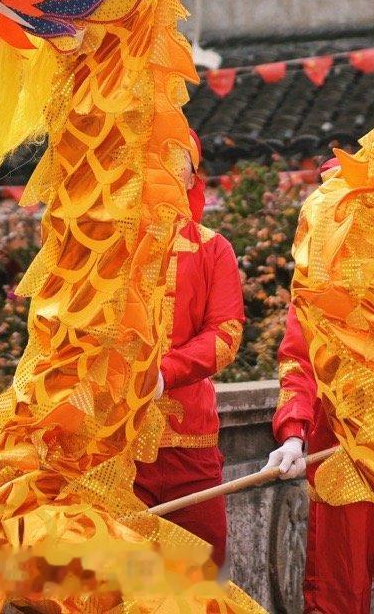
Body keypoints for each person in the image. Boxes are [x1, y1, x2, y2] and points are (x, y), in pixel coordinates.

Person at [266, 191, 374, 614]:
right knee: (336, 589)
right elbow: (297, 364)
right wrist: (293, 435)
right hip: (341, 455)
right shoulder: (314, 290)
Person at [133, 134, 246, 566]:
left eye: (174, 159)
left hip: (190, 446)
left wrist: (165, 373)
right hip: (118, 440)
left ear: (191, 177)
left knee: (201, 576)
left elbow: (226, 332)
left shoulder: (212, 248)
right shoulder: (111, 248)